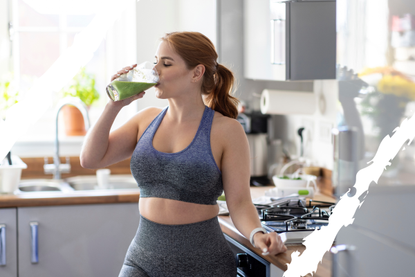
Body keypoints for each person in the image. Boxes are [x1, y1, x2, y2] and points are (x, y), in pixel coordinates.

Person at [80, 31, 287, 277]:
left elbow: (240, 202)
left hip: (204, 266)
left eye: (166, 63)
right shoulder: (145, 121)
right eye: (155, 61)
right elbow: (91, 159)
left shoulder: (227, 131)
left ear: (196, 73)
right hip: (141, 262)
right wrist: (113, 106)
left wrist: (257, 233)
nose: (155, 70)